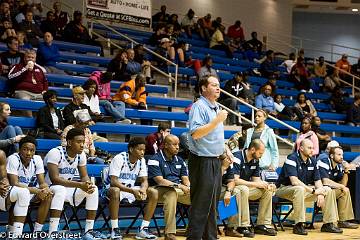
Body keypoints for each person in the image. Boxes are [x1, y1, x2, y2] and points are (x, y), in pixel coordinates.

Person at [45, 128, 105, 239]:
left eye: (83, 142)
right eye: (79, 142)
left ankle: (88, 231)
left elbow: (84, 176)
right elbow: (55, 179)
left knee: (94, 189)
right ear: (69, 142)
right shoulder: (55, 153)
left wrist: (88, 184)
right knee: (60, 189)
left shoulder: (81, 155)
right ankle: (52, 233)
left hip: (68, 189)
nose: (82, 145)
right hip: (50, 190)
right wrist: (79, 185)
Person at [187, 75, 228, 239]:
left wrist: (224, 150)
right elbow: (196, 134)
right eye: (214, 85)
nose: (218, 88)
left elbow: (213, 135)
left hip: (215, 160)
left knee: (212, 205)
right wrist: (217, 120)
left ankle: (210, 237)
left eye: (219, 85)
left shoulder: (216, 107)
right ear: (204, 88)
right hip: (202, 161)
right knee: (201, 204)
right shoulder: (198, 106)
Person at [276, 139, 342, 235]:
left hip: (304, 190)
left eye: (313, 148)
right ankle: (299, 225)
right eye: (309, 148)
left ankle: (328, 224)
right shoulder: (292, 158)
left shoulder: (313, 161)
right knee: (299, 189)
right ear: (301, 148)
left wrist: (320, 193)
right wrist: (314, 191)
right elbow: (294, 181)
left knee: (328, 189)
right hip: (284, 189)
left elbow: (318, 181)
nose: (312, 150)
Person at [104, 137, 158, 240]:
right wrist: (132, 191)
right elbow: (113, 182)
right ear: (131, 149)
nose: (142, 152)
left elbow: (144, 180)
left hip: (130, 189)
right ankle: (114, 229)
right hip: (113, 189)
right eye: (140, 149)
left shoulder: (141, 160)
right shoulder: (119, 158)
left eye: (144, 150)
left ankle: (143, 228)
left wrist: (143, 188)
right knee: (115, 191)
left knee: (153, 192)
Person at [7, 136, 53, 234]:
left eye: (32, 150)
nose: (28, 153)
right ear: (19, 149)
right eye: (25, 149)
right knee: (21, 194)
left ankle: (37, 232)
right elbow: (14, 183)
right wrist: (36, 190)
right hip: (13, 192)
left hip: (29, 192)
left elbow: (42, 182)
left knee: (48, 196)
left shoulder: (37, 159)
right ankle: (12, 232)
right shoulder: (13, 159)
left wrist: (45, 189)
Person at [230, 139, 277, 237]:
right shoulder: (237, 157)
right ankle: (243, 226)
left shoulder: (256, 160)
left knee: (267, 190)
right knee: (244, 189)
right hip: (232, 189)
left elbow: (256, 180)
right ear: (252, 150)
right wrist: (256, 184)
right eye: (260, 153)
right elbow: (235, 180)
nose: (261, 155)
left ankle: (262, 224)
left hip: (246, 189)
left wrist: (266, 184)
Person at [148, 135, 191, 240]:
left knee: (198, 195)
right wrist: (180, 186)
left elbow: (185, 178)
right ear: (166, 145)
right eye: (174, 144)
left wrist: (189, 187)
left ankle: (194, 229)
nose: (177, 147)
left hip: (178, 189)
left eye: (178, 145)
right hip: (157, 190)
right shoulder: (154, 159)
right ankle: (169, 233)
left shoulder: (180, 160)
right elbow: (160, 181)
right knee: (171, 193)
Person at [317, 146, 359, 229]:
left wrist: (346, 171)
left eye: (342, 155)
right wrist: (341, 186)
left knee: (345, 191)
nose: (342, 157)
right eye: (339, 154)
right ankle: (329, 223)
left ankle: (343, 221)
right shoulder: (324, 162)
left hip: (328, 192)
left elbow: (343, 184)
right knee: (334, 190)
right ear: (332, 156)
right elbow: (325, 181)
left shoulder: (338, 166)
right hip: (317, 192)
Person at [0, 149, 30, 238]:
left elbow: (4, 177)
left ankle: (15, 235)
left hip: (1, 192)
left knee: (24, 192)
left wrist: (4, 183)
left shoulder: (1, 154)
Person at [8, 49, 48, 117]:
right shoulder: (18, 66)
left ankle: (43, 124)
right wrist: (25, 69)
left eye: (32, 58)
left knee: (49, 101)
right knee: (25, 101)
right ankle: (30, 122)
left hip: (39, 94)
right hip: (23, 92)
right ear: (24, 58)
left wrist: (45, 90)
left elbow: (45, 81)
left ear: (35, 59)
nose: (30, 59)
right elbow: (10, 77)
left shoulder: (39, 69)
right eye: (28, 57)